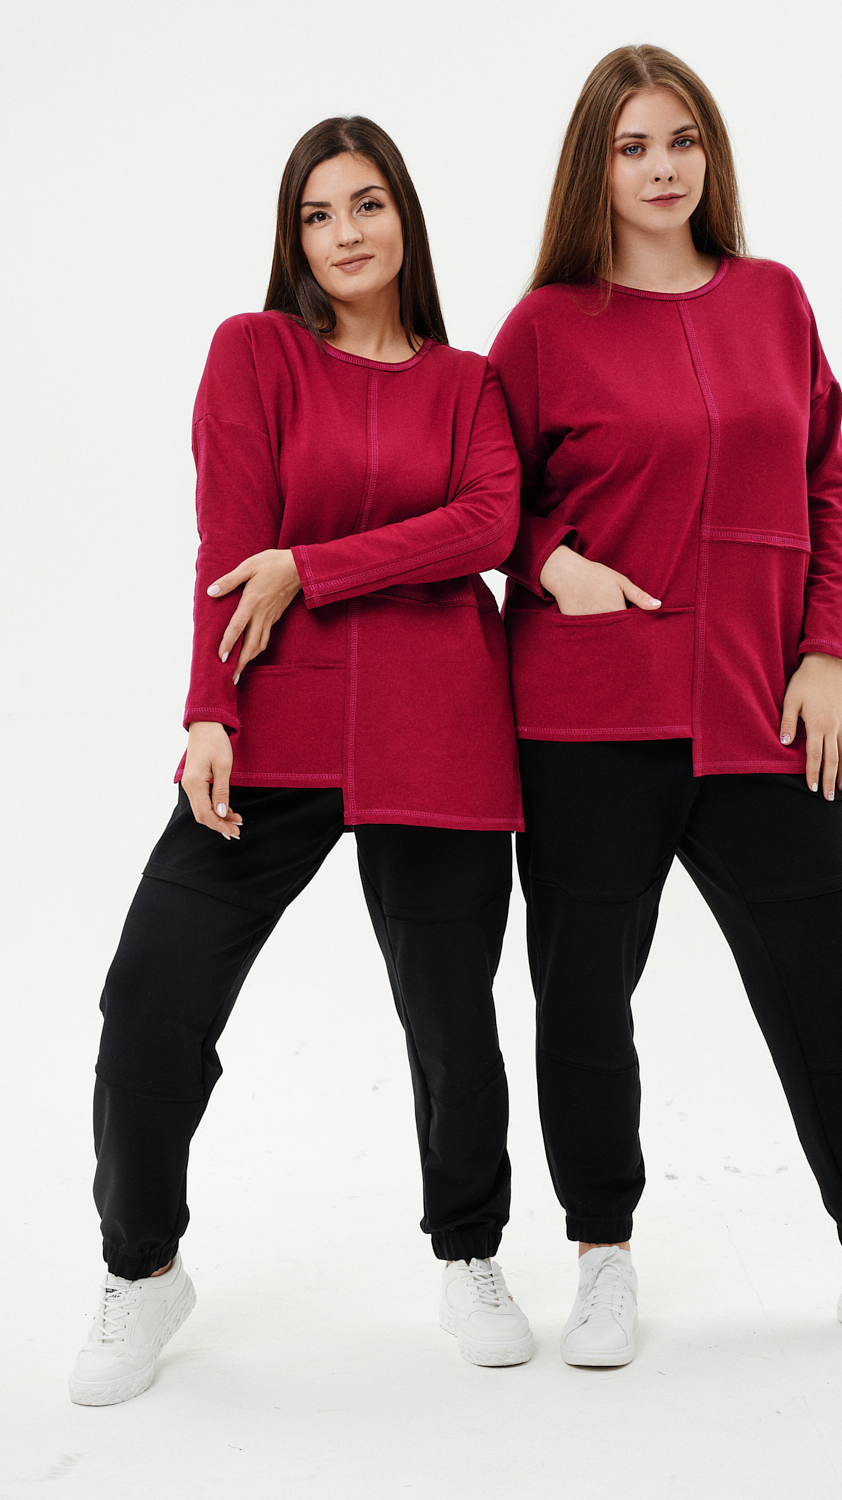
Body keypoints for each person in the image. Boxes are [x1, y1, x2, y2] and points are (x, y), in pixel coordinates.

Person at [489, 44, 842, 1368]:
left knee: (840, 961)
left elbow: (826, 482)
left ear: (711, 154)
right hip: (589, 715)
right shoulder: (543, 328)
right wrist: (552, 563)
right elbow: (482, 496)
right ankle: (602, 1256)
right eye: (634, 145)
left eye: (682, 140)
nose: (663, 167)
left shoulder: (774, 299)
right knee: (585, 991)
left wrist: (827, 651)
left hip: (763, 705)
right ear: (595, 166)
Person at [70, 115, 535, 1407]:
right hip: (275, 723)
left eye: (367, 204)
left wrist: (314, 567)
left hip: (440, 728)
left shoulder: (470, 382)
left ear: (406, 220)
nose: (346, 233)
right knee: (151, 999)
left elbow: (489, 525)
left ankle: (471, 1253)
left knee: (452, 1022)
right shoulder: (256, 351)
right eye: (319, 214)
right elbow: (229, 539)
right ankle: (142, 1267)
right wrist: (207, 713)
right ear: (293, 238)